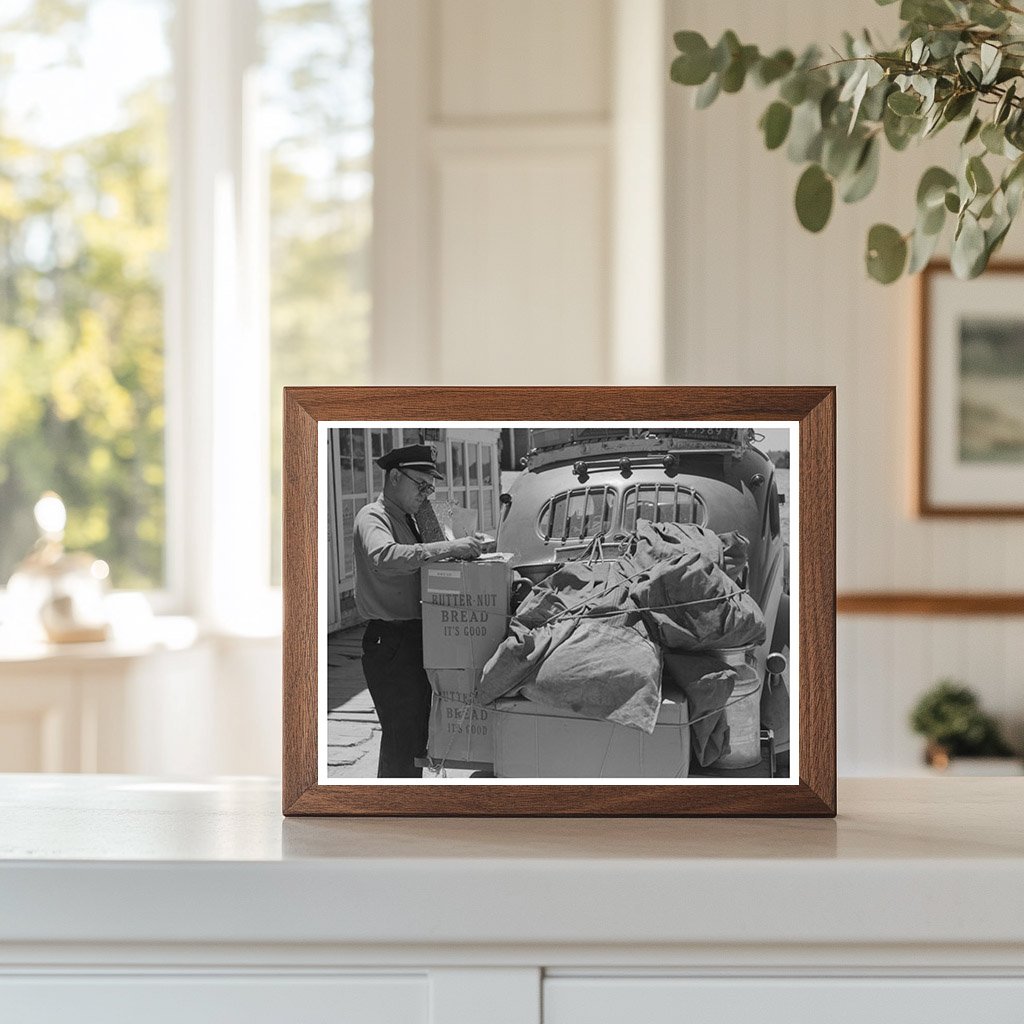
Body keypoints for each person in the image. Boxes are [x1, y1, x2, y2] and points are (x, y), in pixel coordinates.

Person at [353, 443, 483, 778]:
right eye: (421, 485)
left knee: (414, 738)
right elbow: (384, 556)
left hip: (414, 637)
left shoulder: (410, 518)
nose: (426, 494)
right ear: (395, 477)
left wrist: (453, 542)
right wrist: (447, 547)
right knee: (402, 739)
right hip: (390, 642)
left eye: (430, 488)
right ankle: (393, 806)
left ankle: (403, 801)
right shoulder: (374, 516)